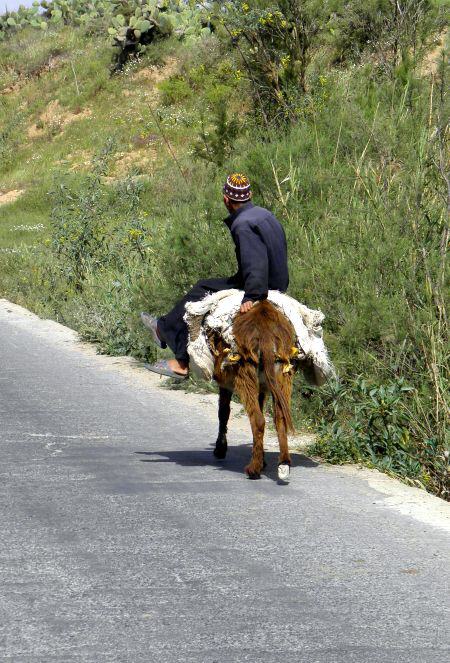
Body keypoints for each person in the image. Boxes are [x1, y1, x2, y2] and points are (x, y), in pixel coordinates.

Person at [142, 173, 289, 379]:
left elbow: (255, 261)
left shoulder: (243, 225)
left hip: (261, 284)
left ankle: (178, 356)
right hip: (278, 282)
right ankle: (164, 330)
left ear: (226, 199)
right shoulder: (264, 214)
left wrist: (252, 296)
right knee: (208, 286)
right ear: (250, 195)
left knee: (201, 291)